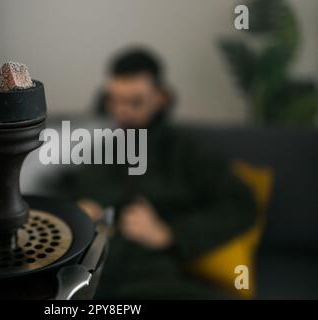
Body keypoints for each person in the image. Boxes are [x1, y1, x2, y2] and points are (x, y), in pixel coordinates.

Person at [52, 48, 256, 299]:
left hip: (150, 276)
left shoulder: (184, 150)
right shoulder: (95, 141)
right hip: (85, 271)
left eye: (134, 102)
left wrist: (170, 233)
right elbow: (62, 186)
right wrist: (77, 209)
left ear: (160, 98)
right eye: (114, 100)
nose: (121, 111)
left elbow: (241, 203)